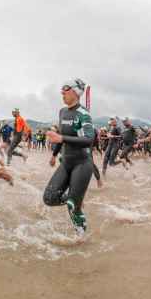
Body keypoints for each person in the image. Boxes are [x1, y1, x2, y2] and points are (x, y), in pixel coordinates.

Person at [45, 78, 94, 235]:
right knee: (49, 198)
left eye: (64, 90)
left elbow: (88, 139)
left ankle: (82, 238)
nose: (62, 93)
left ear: (75, 92)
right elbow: (61, 135)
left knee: (72, 206)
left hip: (82, 163)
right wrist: (54, 155)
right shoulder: (62, 111)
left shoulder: (83, 114)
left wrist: (61, 139)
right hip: (66, 163)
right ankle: (76, 198)